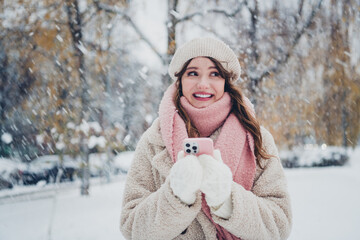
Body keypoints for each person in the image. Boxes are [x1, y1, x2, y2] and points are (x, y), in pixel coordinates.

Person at [120, 37, 292, 240]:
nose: (203, 84)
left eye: (215, 74)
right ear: (180, 80)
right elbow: (131, 228)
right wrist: (176, 196)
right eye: (193, 73)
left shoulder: (256, 137)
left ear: (226, 83)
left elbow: (279, 226)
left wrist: (227, 198)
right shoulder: (154, 141)